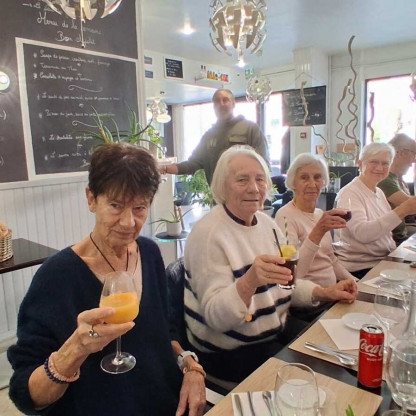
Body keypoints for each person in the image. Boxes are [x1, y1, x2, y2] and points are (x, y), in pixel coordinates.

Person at [7, 144, 205, 416]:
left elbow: (166, 331)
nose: (128, 222)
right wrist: (76, 348)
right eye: (115, 205)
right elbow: (26, 396)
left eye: (139, 207)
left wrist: (191, 366)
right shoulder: (57, 277)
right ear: (91, 199)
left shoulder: (149, 253)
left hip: (164, 404)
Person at [183, 145, 357, 383]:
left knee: (339, 360)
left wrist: (324, 292)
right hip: (230, 351)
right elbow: (216, 318)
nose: (254, 188)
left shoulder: (266, 224)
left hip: (272, 332)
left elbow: (286, 283)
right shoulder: (208, 234)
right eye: (242, 180)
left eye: (260, 179)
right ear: (222, 186)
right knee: (320, 379)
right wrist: (250, 281)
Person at [335, 142, 416, 278]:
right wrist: (403, 209)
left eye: (385, 163)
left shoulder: (378, 192)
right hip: (360, 269)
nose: (379, 168)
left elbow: (386, 232)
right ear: (360, 164)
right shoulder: (349, 193)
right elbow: (363, 234)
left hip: (384, 260)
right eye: (374, 162)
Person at [276, 153, 355, 289]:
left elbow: (331, 260)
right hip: (312, 298)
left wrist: (355, 282)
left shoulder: (319, 214)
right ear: (293, 182)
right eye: (304, 177)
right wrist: (319, 230)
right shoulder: (285, 217)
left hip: (334, 292)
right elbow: (294, 273)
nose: (312, 184)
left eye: (317, 177)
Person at [159, 89, 269, 185]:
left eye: (225, 100)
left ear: (233, 103)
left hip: (244, 196)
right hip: (218, 197)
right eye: (217, 101)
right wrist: (165, 168)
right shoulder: (209, 136)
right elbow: (192, 164)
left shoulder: (250, 129)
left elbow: (263, 164)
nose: (221, 104)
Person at [378, 133, 416, 244]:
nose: (414, 161)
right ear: (401, 153)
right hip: (393, 240)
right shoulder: (385, 179)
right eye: (414, 154)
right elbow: (411, 205)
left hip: (401, 235)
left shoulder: (396, 178)